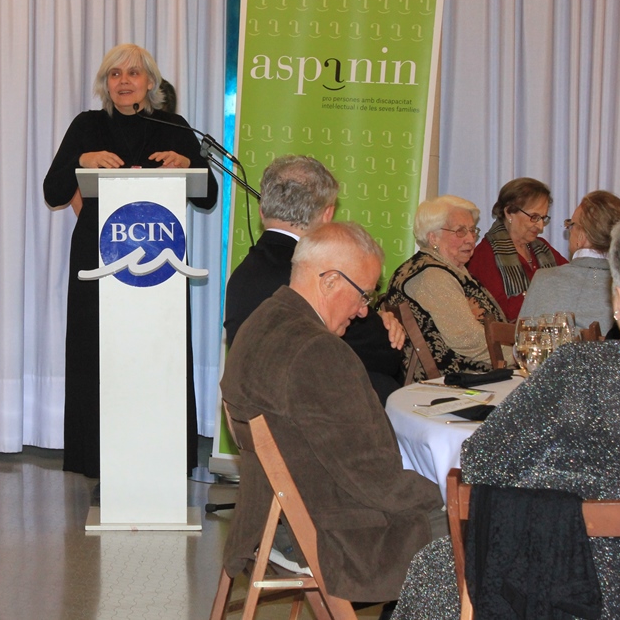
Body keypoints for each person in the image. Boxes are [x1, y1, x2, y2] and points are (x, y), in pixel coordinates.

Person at [391, 215, 620, 620]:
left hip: (569, 581)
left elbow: (482, 461)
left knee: (436, 568)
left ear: (618, 300)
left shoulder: (579, 368)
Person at [221, 222, 445, 606]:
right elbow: (373, 476)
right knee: (480, 528)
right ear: (329, 281)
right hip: (329, 538)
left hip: (270, 524)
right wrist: (444, 496)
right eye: (363, 295)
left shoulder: (260, 322)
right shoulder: (318, 351)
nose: (363, 311)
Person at [43, 44, 218, 479]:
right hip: (98, 259)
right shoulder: (86, 126)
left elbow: (209, 196)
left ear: (150, 83)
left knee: (157, 357)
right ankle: (96, 458)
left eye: (134, 73)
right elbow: (53, 191)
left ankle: (160, 457)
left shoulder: (173, 127)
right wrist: (81, 160)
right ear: (105, 84)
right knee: (98, 355)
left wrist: (188, 163)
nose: (124, 81)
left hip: (160, 265)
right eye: (115, 74)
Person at [224, 154, 406, 403]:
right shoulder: (312, 277)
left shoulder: (241, 276)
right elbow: (387, 354)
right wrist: (382, 323)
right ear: (327, 215)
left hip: (258, 408)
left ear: (262, 210)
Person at [385, 196, 508, 381]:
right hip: (456, 382)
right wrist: (521, 353)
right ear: (433, 237)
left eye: (472, 230)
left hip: (475, 376)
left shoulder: (451, 269)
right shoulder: (432, 276)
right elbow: (468, 340)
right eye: (460, 231)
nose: (470, 239)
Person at [519, 190, 620, 329]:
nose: (569, 231)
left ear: (582, 237)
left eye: (571, 225)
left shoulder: (544, 279)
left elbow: (521, 338)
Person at [466, 178, 567, 321]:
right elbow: (496, 312)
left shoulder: (542, 248)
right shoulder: (485, 254)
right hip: (510, 335)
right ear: (509, 213)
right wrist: (539, 291)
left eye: (543, 218)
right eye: (534, 217)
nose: (540, 226)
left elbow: (570, 280)